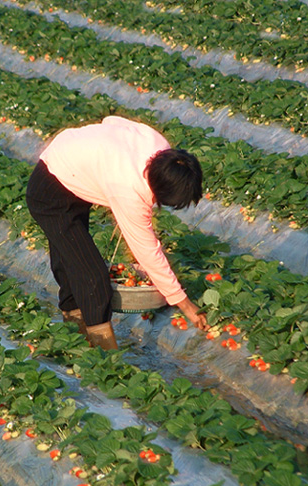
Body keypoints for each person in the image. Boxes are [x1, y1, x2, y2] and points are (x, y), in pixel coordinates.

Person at [25, 115, 209, 351]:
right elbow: (147, 251)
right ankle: (106, 358)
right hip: (49, 194)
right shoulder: (128, 190)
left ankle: (74, 336)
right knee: (93, 278)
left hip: (70, 172)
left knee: (72, 262)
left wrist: (101, 161)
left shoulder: (158, 145)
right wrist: (184, 304)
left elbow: (111, 121)